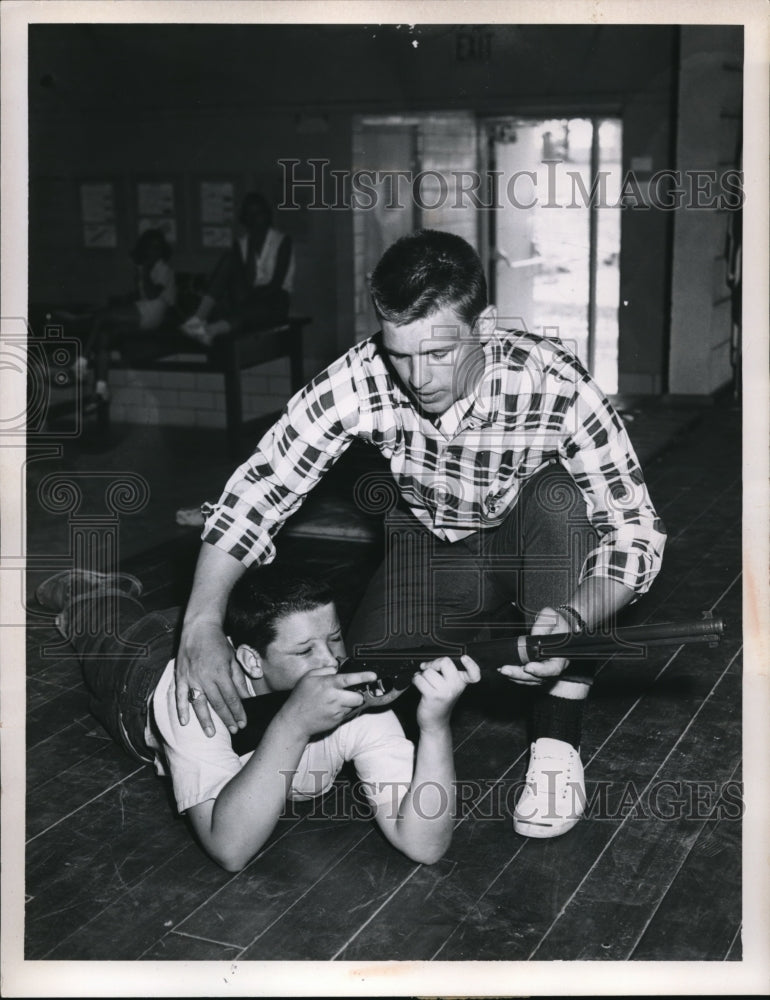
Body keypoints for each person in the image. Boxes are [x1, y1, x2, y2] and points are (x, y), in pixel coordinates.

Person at [174, 229, 667, 840]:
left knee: (561, 498)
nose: (418, 377)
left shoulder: (553, 380)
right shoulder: (361, 377)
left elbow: (634, 528)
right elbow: (262, 487)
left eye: (438, 353)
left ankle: (556, 739)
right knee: (371, 683)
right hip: (430, 540)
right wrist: (200, 622)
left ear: (483, 327)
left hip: (533, 535)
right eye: (400, 354)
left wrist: (575, 615)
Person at [35, 565, 478, 872]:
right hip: (145, 673)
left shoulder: (354, 699)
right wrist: (294, 724)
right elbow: (230, 849)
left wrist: (435, 728)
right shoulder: (194, 700)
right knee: (98, 622)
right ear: (250, 660)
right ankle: (89, 589)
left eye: (336, 638)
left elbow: (425, 845)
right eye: (305, 651)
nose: (331, 662)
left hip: (230, 631)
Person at [72, 228, 176, 404]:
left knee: (101, 316)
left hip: (154, 312)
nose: (153, 252)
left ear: (162, 250)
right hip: (145, 310)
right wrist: (124, 299)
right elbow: (141, 295)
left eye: (157, 248)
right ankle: (101, 389)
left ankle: (81, 362)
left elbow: (152, 295)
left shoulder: (163, 269)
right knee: (104, 337)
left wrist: (144, 272)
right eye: (150, 247)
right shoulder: (145, 268)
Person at [180, 191, 294, 347]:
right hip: (249, 297)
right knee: (229, 259)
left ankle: (211, 330)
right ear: (245, 219)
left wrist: (243, 302)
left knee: (244, 310)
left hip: (274, 300)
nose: (255, 218)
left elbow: (275, 285)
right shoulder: (242, 244)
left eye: (259, 213)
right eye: (250, 214)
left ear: (267, 215)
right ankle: (198, 318)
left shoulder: (282, 241)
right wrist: (251, 249)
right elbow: (246, 281)